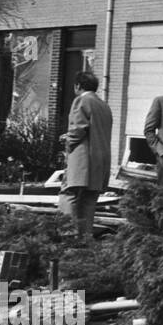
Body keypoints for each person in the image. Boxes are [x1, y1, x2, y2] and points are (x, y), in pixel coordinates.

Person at [59, 71, 112, 241]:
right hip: (100, 160)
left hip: (82, 159)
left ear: (78, 86)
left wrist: (68, 141)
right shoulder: (104, 105)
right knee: (89, 200)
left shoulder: (82, 100)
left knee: (69, 195)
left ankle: (68, 237)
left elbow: (78, 129)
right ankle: (85, 240)